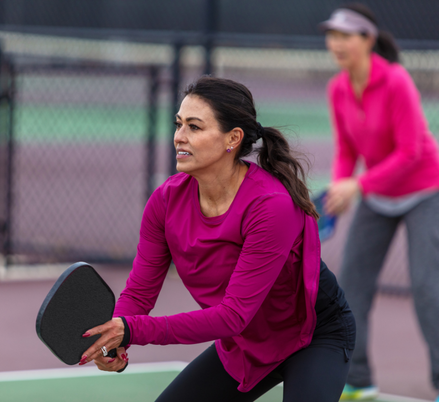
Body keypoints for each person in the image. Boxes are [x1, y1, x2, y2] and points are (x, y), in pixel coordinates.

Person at [78, 76, 355, 402]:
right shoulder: (165, 202)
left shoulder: (270, 206)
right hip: (245, 341)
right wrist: (117, 338)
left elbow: (232, 316)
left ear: (232, 139)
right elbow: (140, 291)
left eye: (195, 127)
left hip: (314, 334)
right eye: (178, 124)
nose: (179, 137)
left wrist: (134, 329)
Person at [320, 4, 439, 401]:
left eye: (345, 36)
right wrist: (341, 185)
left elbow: (410, 152)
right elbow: (345, 149)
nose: (335, 43)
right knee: (350, 285)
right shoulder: (337, 88)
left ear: (367, 40)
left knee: (427, 288)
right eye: (331, 35)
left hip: (425, 190)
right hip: (377, 192)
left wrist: (358, 186)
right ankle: (358, 378)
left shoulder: (396, 81)